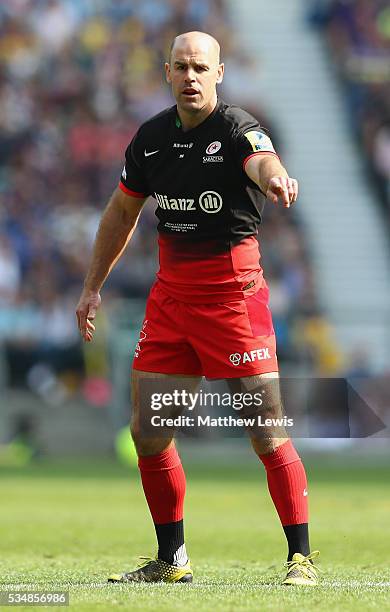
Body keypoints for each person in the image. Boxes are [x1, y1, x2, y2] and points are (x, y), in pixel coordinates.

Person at [76, 31, 319, 586]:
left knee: (266, 431)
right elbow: (120, 213)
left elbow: (262, 159)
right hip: (172, 301)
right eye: (181, 67)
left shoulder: (236, 127)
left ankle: (300, 557)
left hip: (234, 297)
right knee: (149, 432)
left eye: (200, 68)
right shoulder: (152, 138)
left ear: (219, 73)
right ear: (166, 73)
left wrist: (276, 178)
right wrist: (92, 287)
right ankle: (171, 559)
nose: (190, 76)